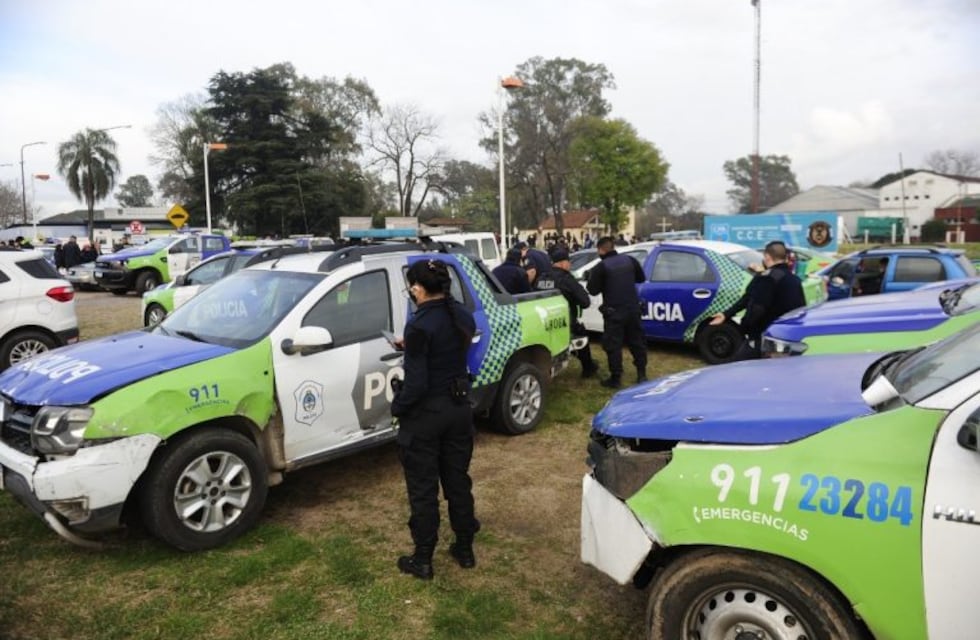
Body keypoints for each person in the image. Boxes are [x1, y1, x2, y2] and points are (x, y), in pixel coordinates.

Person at [390, 259, 480, 580]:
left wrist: (398, 407)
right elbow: (446, 350)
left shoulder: (418, 325)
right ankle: (465, 548)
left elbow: (415, 384)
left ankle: (423, 559)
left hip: (426, 416)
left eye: (411, 287)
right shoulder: (462, 316)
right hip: (458, 410)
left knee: (423, 489)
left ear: (417, 289)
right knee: (458, 482)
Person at [709, 240, 806, 359]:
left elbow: (755, 307)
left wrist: (744, 326)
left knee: (738, 367)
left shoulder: (766, 278)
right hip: (788, 339)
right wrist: (725, 315)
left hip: (764, 339)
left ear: (767, 257)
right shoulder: (794, 279)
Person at [586, 236, 647, 388]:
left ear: (600, 250)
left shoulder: (601, 267)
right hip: (633, 309)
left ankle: (616, 378)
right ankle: (642, 374)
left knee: (613, 344)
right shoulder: (630, 260)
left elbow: (592, 290)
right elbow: (641, 278)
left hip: (614, 312)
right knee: (637, 342)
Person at [549, 246, 598, 378]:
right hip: (563, 321)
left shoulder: (542, 277)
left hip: (543, 323)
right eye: (568, 262)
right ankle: (588, 368)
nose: (570, 265)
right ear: (563, 263)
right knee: (580, 335)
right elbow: (585, 302)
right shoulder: (566, 279)